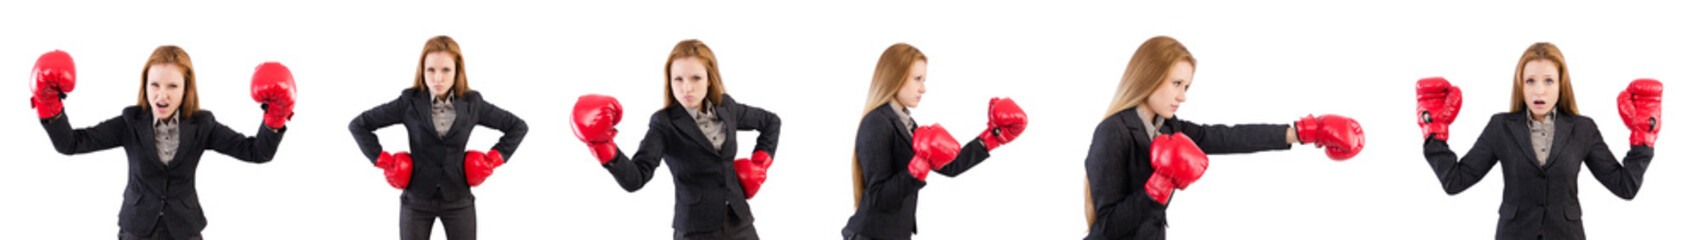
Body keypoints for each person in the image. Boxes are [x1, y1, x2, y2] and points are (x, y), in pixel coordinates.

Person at [1083, 36, 1365, 239]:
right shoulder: (1113, 132)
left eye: (1187, 86)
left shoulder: (1169, 128)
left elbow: (1228, 137)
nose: (1183, 96)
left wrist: (1303, 132)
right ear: (1149, 76)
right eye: (1177, 84)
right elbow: (1106, 227)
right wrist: (1158, 185)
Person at [34, 46, 295, 240]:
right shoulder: (129, 122)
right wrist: (49, 106)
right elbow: (71, 144)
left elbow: (256, 152)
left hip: (184, 229)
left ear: (185, 89)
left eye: (172, 86)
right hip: (136, 228)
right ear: (145, 86)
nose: (162, 94)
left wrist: (275, 116)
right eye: (155, 84)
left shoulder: (203, 125)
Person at [1417, 42, 1658, 240]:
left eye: (1548, 81)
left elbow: (1625, 186)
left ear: (1561, 84)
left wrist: (1643, 139)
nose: (1539, 91)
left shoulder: (1584, 129)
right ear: (1520, 85)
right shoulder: (1500, 127)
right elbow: (1455, 181)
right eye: (1530, 81)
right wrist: (1434, 133)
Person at [573, 39, 782, 240]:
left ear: (709, 79)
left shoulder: (726, 107)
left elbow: (771, 122)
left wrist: (761, 162)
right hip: (696, 230)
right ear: (670, 81)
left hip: (739, 221)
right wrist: (603, 147)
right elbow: (636, 178)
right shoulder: (664, 124)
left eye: (696, 78)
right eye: (678, 79)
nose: (686, 88)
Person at [840, 42, 1030, 240]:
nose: (923, 89)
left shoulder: (906, 122)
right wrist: (917, 168)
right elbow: (880, 197)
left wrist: (991, 138)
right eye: (917, 79)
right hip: (871, 235)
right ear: (894, 77)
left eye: (924, 80)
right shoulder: (876, 122)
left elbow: (950, 167)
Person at [348, 35, 528, 240]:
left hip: (458, 199)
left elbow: (517, 126)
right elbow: (359, 125)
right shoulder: (409, 101)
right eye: (431, 70)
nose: (437, 78)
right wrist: (384, 161)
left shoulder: (473, 103)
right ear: (422, 71)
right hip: (417, 199)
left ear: (457, 71)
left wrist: (492, 160)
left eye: (445, 70)